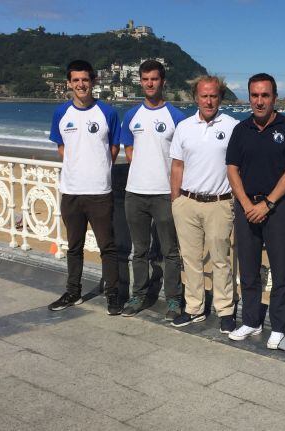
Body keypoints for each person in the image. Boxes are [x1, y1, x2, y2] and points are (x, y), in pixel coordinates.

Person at [225, 73, 285, 349]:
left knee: (281, 269)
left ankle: (280, 325)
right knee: (248, 267)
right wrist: (247, 204)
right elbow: (232, 168)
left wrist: (267, 203)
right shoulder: (240, 130)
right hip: (246, 207)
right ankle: (252, 320)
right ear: (249, 98)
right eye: (255, 96)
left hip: (278, 207)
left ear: (274, 98)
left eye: (265, 95)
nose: (259, 101)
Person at [47, 59, 121, 315]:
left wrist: (98, 168)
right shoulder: (61, 113)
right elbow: (61, 147)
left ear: (93, 82)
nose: (81, 84)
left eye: (85, 80)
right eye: (76, 80)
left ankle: (113, 295)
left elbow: (113, 148)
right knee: (74, 246)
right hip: (71, 191)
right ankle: (73, 292)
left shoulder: (108, 112)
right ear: (69, 83)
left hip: (100, 192)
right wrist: (77, 167)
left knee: (107, 247)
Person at [169, 76, 239, 333]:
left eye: (213, 96)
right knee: (190, 259)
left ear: (220, 98)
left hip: (219, 203)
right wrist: (175, 199)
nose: (208, 101)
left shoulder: (232, 126)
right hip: (187, 202)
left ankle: (225, 310)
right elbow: (177, 165)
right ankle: (194, 308)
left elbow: (238, 166)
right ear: (195, 98)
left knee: (221, 259)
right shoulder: (184, 127)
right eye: (204, 96)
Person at [119, 59, 185, 320]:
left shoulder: (176, 116)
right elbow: (129, 149)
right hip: (134, 193)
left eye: (154, 79)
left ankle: (173, 300)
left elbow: (181, 156)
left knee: (170, 251)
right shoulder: (131, 115)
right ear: (140, 81)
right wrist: (143, 171)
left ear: (162, 81)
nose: (149, 83)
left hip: (164, 194)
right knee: (140, 250)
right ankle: (138, 295)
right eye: (145, 79)